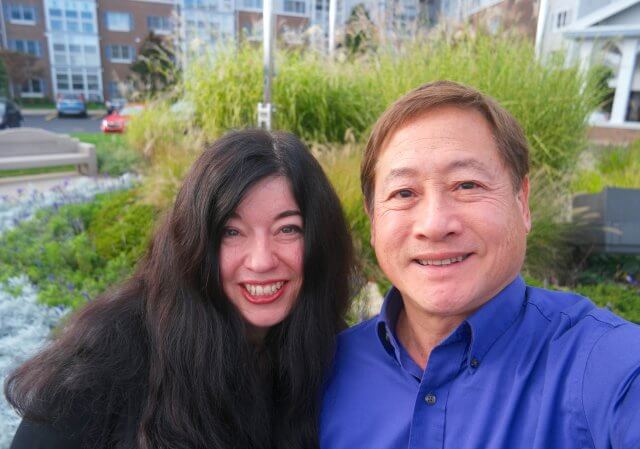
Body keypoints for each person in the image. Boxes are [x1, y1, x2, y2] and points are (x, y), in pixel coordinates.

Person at [320, 80, 640, 449]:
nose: (435, 224)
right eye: (404, 193)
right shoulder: (324, 371)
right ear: (374, 221)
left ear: (523, 202)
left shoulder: (599, 366)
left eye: (466, 185)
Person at [5, 129, 355, 449]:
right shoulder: (108, 356)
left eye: (287, 229)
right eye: (230, 232)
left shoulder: (328, 351)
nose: (262, 261)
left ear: (319, 242)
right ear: (196, 244)